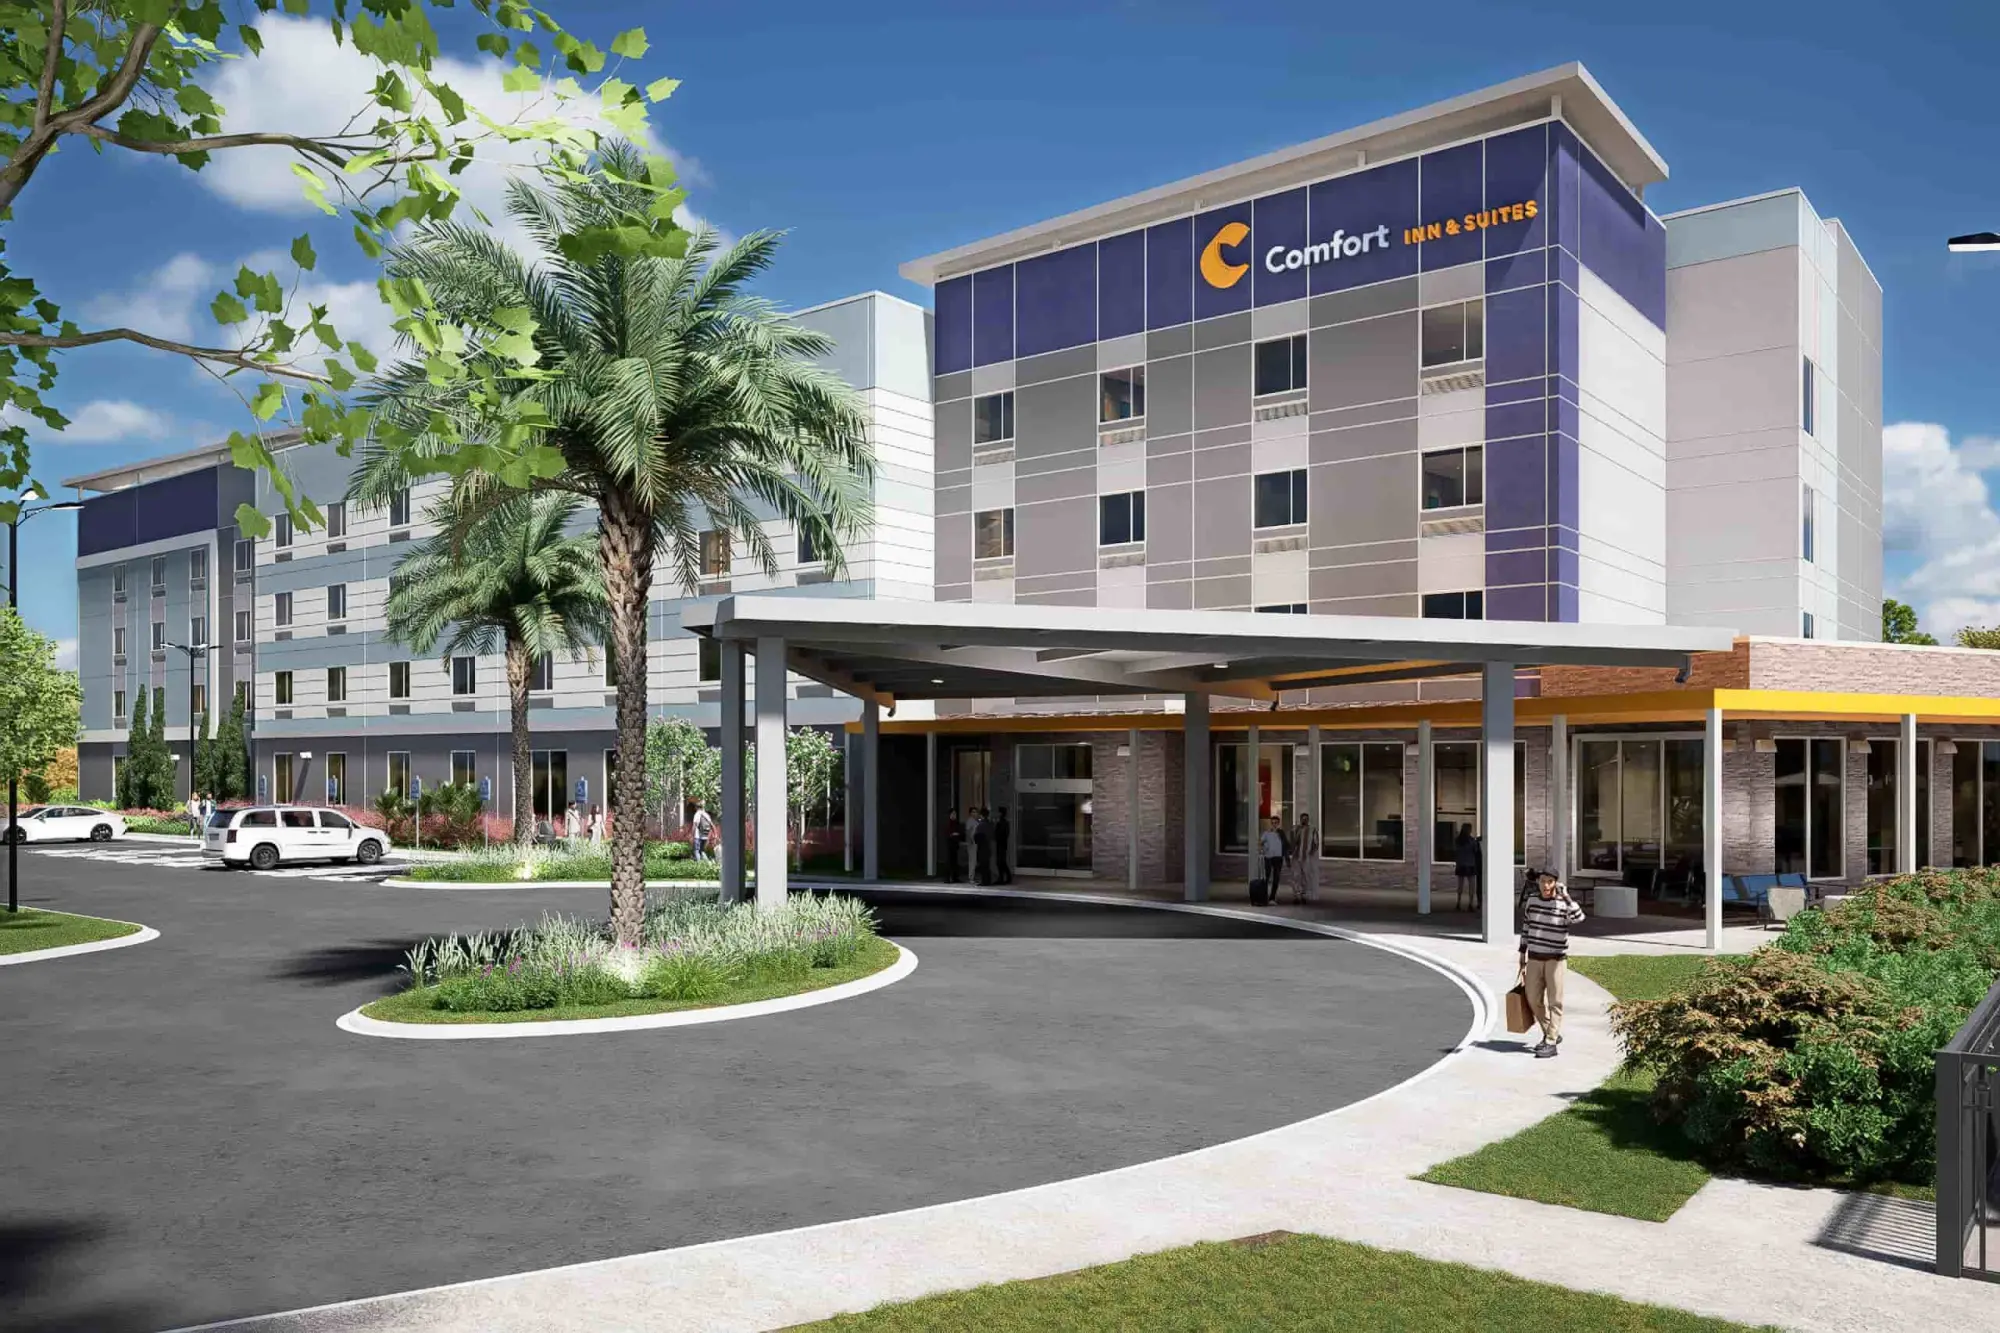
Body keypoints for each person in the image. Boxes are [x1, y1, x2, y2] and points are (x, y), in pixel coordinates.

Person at [1519, 871, 1587, 1058]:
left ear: (1556, 883)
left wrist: (1566, 896)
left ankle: (1550, 1041)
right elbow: (1526, 926)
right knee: (1532, 998)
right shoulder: (1532, 901)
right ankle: (1552, 1032)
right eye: (1543, 881)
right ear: (1538, 882)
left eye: (1550, 882)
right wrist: (1522, 952)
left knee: (1555, 1001)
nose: (1546, 886)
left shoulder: (1563, 904)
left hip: (1556, 960)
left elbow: (1579, 918)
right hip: (1534, 957)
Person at [1288, 812, 1319, 903]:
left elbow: (1316, 843)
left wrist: (1310, 853)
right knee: (1296, 876)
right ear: (1300, 819)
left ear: (1308, 820)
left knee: (1305, 876)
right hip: (1296, 856)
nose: (1304, 820)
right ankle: (1296, 895)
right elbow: (1292, 841)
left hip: (1306, 857)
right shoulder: (1296, 829)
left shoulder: (1312, 830)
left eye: (1306, 819)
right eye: (1303, 819)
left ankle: (1303, 895)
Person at [1454, 824, 1482, 911]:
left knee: (1460, 885)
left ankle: (1458, 902)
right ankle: (1470, 904)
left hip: (1460, 864)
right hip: (1470, 864)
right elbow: (1476, 851)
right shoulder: (1472, 841)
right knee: (1471, 886)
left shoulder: (1458, 841)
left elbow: (1455, 852)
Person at [1258, 817, 1285, 904]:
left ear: (1278, 823)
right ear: (1271, 823)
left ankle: (1272, 898)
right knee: (1266, 877)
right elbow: (1260, 843)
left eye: (1276, 823)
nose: (1274, 824)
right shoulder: (1267, 833)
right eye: (1273, 823)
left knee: (1276, 878)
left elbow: (1286, 844)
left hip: (1278, 857)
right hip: (1268, 857)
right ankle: (1263, 897)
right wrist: (1262, 849)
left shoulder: (1281, 833)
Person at [971, 806, 993, 885]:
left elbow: (976, 837)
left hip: (982, 846)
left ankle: (984, 881)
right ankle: (988, 880)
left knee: (983, 865)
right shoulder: (990, 824)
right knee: (987, 865)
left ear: (981, 815)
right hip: (988, 846)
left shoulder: (981, 825)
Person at [943, 808, 964, 883]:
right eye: (953, 814)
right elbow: (947, 833)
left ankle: (955, 877)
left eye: (955, 814)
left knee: (955, 861)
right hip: (949, 844)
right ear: (950, 815)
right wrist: (953, 834)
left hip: (955, 844)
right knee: (949, 861)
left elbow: (960, 832)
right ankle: (947, 878)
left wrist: (957, 834)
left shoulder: (956, 823)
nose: (954, 815)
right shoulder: (948, 823)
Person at [992, 807, 1012, 884]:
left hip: (1001, 844)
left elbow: (1000, 834)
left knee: (1000, 862)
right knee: (1001, 862)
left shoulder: (1002, 823)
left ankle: (1003, 877)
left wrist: (997, 836)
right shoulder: (1003, 822)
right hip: (1001, 844)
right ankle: (1005, 877)